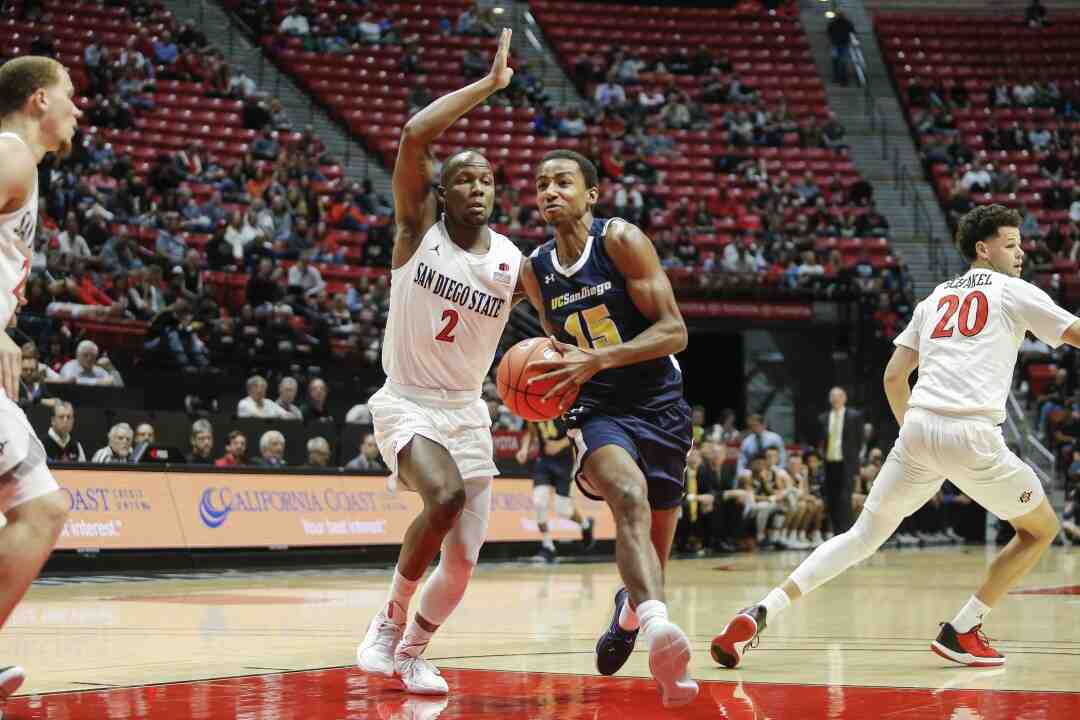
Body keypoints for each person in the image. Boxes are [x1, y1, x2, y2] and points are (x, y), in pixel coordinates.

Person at [712, 204, 1068, 671]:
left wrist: (917, 441)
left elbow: (894, 377)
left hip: (917, 429)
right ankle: (963, 628)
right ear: (983, 249)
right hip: (972, 434)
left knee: (860, 536)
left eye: (1021, 244)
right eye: (1011, 243)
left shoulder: (934, 298)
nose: (1021, 252)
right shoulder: (1013, 291)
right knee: (1041, 528)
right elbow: (1075, 333)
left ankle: (761, 610)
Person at [355, 30, 524, 697]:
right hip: (407, 400)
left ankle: (413, 652)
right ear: (443, 193)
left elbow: (559, 322)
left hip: (467, 410)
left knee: (462, 563)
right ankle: (386, 623)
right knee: (445, 497)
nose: (476, 187)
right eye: (463, 179)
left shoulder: (513, 261)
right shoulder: (415, 234)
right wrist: (489, 86)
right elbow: (412, 139)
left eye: (485, 179)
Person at [519, 148, 698, 707]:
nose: (550, 191)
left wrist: (598, 359)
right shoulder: (535, 269)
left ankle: (628, 615)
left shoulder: (619, 241)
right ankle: (660, 634)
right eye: (542, 184)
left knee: (657, 549)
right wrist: (551, 382)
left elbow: (674, 332)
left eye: (563, 182)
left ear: (591, 194)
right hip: (597, 409)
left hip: (659, 402)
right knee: (626, 495)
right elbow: (558, 348)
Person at [0, 55, 79, 707]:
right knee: (41, 507)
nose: (77, 109)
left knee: (41, 505)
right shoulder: (11, 155)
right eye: (69, 96)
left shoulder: (25, 168)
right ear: (36, 101)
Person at [515, 419, 594, 563]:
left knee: (562, 510)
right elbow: (530, 430)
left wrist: (560, 443)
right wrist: (524, 448)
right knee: (539, 501)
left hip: (566, 462)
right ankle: (548, 547)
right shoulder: (532, 405)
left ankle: (586, 524)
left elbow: (579, 432)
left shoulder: (561, 407)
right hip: (544, 462)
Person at [818, 387, 862, 534]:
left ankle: (847, 533)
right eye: (833, 396)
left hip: (846, 464)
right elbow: (821, 441)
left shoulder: (854, 416)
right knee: (832, 499)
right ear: (830, 399)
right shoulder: (823, 417)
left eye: (838, 396)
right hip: (829, 463)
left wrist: (856, 466)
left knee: (845, 500)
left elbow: (858, 442)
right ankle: (836, 533)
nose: (836, 399)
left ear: (844, 398)